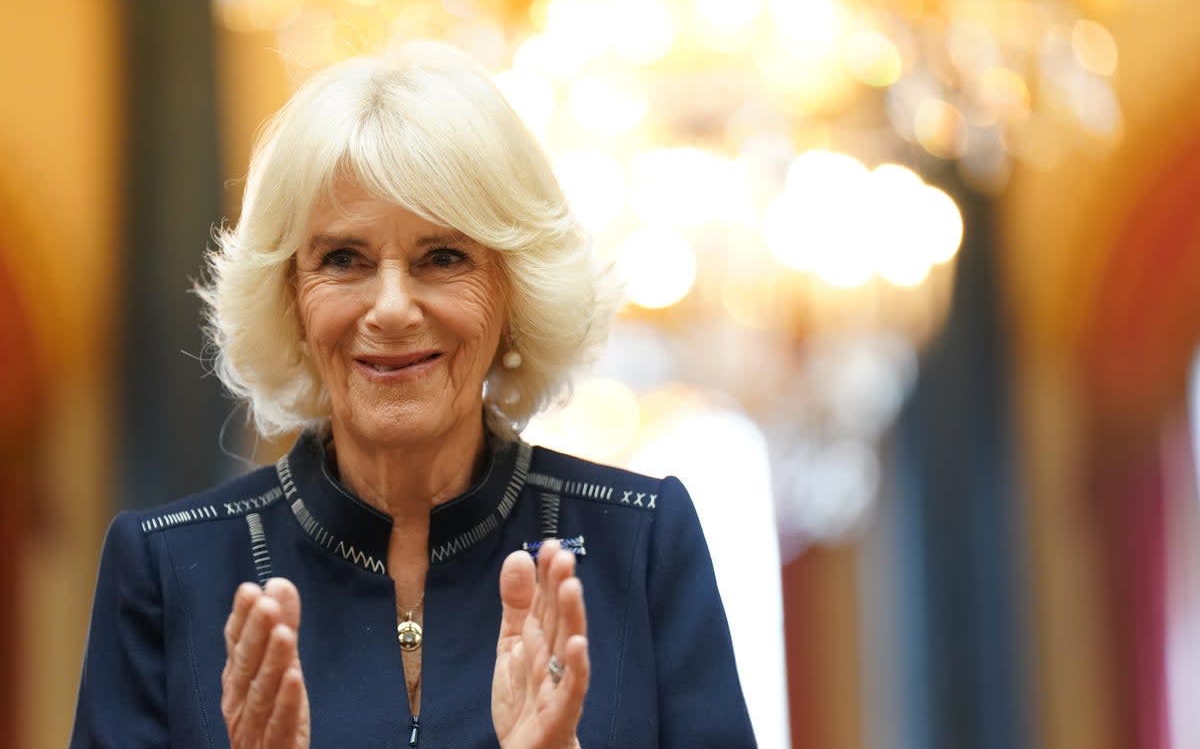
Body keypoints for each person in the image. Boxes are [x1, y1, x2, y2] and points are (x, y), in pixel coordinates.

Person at [69, 40, 756, 748]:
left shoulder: (642, 543)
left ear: (514, 291)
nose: (392, 308)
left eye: (443, 258)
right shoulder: (163, 567)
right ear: (290, 299)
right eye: (343, 259)